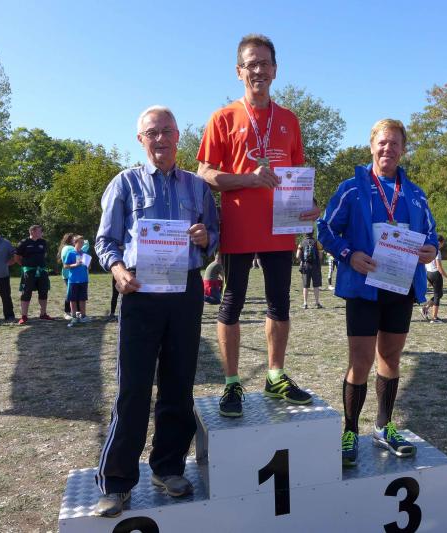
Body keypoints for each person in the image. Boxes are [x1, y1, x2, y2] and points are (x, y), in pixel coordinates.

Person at [94, 105, 219, 517]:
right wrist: (117, 270)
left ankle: (167, 467)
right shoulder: (124, 183)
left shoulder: (198, 187)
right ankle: (116, 482)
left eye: (167, 131)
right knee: (133, 387)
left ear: (178, 136)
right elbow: (105, 241)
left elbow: (214, 235)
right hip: (140, 291)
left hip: (185, 292)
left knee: (178, 383)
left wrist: (204, 237)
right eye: (152, 132)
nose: (161, 138)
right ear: (141, 139)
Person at [196, 33, 319, 417]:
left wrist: (308, 204)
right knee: (231, 303)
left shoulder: (289, 120)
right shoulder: (223, 117)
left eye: (264, 63)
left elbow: (296, 175)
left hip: (280, 229)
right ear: (239, 71)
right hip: (238, 228)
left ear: (275, 70)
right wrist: (248, 180)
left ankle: (275, 375)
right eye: (251, 64)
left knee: (280, 303)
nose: (258, 70)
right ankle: (232, 383)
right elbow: (204, 173)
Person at [317, 119, 438, 467]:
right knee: (360, 361)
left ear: (403, 149)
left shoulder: (415, 194)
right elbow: (325, 228)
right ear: (371, 146)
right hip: (363, 288)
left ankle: (384, 427)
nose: (388, 149)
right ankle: (350, 430)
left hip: (400, 286)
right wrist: (348, 254)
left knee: (391, 358)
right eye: (382, 143)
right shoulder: (352, 188)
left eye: (395, 143)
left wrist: (431, 249)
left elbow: (431, 234)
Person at [15, 224, 54, 324]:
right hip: (29, 271)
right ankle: (24, 316)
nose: (42, 233)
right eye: (40, 231)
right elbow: (17, 257)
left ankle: (43, 314)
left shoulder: (43, 242)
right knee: (26, 292)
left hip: (42, 271)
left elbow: (44, 255)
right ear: (33, 231)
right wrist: (26, 266)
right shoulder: (24, 242)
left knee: (43, 291)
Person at [421, 235, 447, 323]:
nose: (443, 245)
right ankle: (434, 318)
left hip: (429, 273)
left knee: (439, 294)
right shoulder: (437, 251)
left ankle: (425, 308)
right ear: (440, 242)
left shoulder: (428, 249)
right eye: (443, 243)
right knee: (437, 296)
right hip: (435, 274)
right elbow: (439, 267)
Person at [63, 235, 91, 327]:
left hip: (84, 279)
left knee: (82, 299)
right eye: (80, 242)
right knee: (73, 299)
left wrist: (88, 264)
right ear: (75, 243)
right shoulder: (70, 253)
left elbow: (88, 267)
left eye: (83, 242)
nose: (82, 244)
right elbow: (65, 266)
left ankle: (83, 316)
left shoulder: (84, 254)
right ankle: (74, 317)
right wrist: (75, 264)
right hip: (73, 280)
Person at [297, 232, 323, 309]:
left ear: (305, 234)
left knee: (305, 285)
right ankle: (317, 303)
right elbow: (320, 256)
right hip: (315, 266)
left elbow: (297, 255)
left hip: (305, 266)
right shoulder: (317, 242)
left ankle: (305, 303)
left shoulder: (301, 242)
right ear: (313, 233)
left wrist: (301, 261)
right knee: (316, 285)